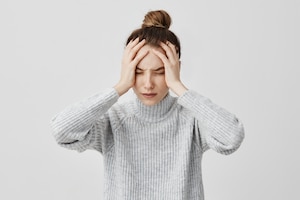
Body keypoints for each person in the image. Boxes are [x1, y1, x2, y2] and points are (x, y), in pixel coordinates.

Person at [51, 9, 245, 200]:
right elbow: (62, 131)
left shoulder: (191, 119)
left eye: (160, 72)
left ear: (175, 69)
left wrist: (178, 86)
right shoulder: (114, 119)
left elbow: (232, 137)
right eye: (138, 72)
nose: (148, 83)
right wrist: (119, 87)